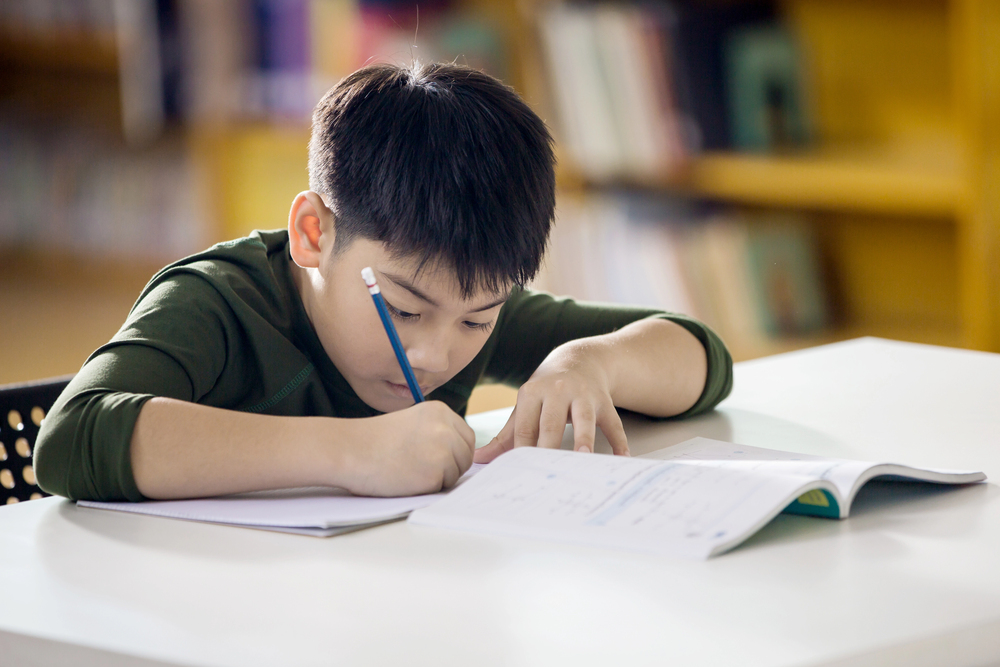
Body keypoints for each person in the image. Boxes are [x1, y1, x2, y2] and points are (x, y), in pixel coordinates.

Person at [34, 61, 732, 502]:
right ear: (314, 234)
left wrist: (592, 363)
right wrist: (349, 452)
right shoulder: (217, 302)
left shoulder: (455, 303)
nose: (435, 354)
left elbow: (703, 357)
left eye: (478, 319)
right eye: (401, 310)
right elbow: (69, 439)